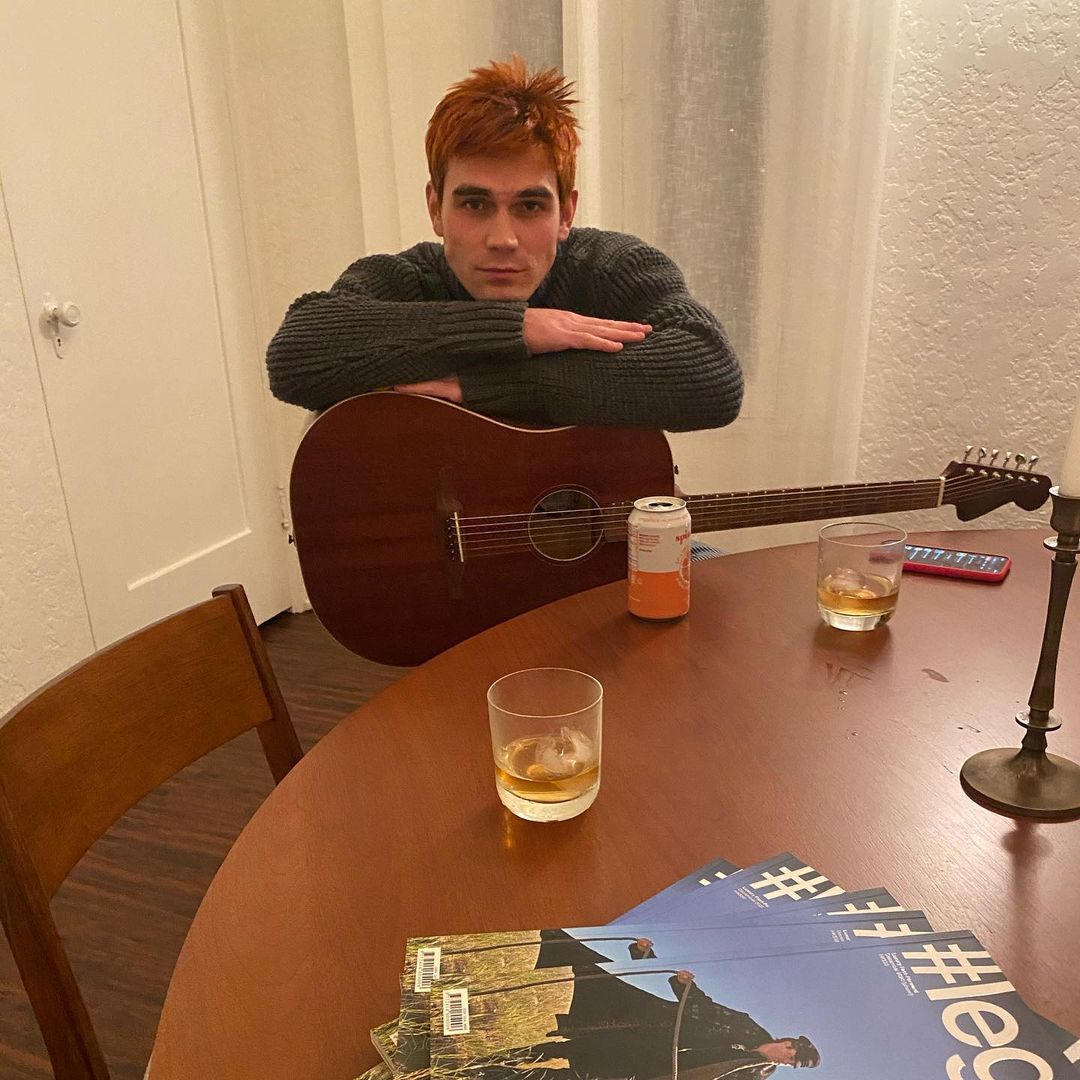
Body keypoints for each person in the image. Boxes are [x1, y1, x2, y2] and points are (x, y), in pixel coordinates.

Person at [266, 56, 743, 433]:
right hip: (444, 548)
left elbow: (711, 376)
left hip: (594, 537)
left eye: (530, 206)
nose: (503, 239)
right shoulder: (405, 279)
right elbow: (297, 354)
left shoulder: (612, 268)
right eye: (474, 205)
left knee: (734, 561)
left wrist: (493, 384)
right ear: (435, 208)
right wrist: (517, 329)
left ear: (567, 213)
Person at [476, 968, 819, 1080]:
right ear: (788, 1042)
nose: (786, 1060)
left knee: (575, 1075)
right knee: (568, 1048)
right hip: (647, 1037)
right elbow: (704, 1008)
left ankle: (496, 1075)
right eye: (791, 1054)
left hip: (651, 1070)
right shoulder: (745, 1027)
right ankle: (489, 1061)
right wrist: (685, 986)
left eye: (792, 1063)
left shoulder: (751, 1077)